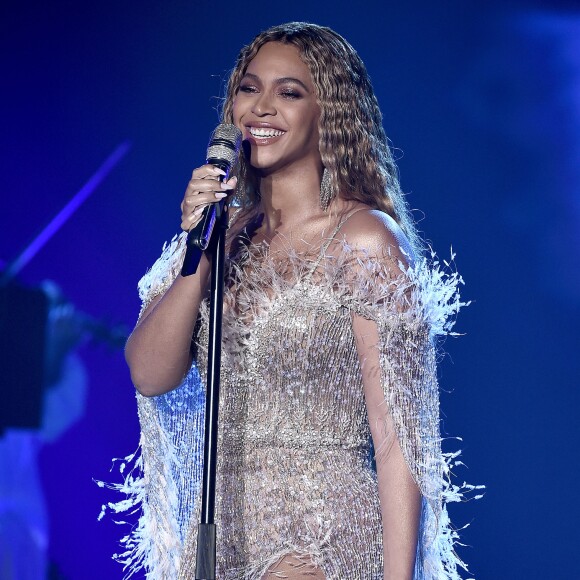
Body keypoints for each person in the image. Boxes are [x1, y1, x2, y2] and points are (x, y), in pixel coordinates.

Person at [115, 22, 475, 580]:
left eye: (289, 92)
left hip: (321, 535)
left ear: (328, 112)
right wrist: (200, 248)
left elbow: (398, 435)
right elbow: (150, 373)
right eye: (248, 89)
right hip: (218, 541)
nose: (261, 109)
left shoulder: (364, 239)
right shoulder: (220, 236)